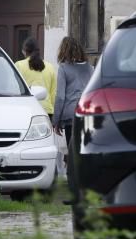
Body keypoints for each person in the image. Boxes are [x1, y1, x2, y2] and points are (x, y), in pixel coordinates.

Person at [53, 37, 94, 175]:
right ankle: (87, 178)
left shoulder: (63, 69)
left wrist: (56, 121)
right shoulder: (90, 68)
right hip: (89, 113)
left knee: (73, 150)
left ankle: (74, 180)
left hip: (71, 115)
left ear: (63, 51)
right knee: (86, 148)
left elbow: (60, 96)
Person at [14, 37, 57, 117]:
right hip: (46, 110)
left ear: (24, 51)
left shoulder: (19, 65)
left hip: (26, 110)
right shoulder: (50, 67)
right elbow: (53, 94)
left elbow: (14, 89)